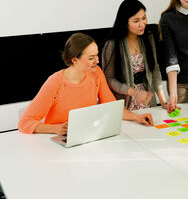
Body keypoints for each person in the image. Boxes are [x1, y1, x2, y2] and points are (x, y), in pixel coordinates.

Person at [18, 33, 153, 135]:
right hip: (57, 141)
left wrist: (137, 117)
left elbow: (111, 106)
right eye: (91, 58)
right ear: (75, 59)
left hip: (87, 134)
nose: (97, 61)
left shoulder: (96, 74)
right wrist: (56, 129)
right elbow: (24, 122)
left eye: (97, 55)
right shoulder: (55, 82)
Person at [102, 0, 166, 110]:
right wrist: (133, 92)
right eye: (136, 21)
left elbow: (154, 70)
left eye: (144, 18)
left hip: (147, 100)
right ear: (125, 22)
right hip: (125, 101)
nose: (142, 24)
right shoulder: (112, 45)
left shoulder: (148, 38)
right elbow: (109, 79)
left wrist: (163, 101)